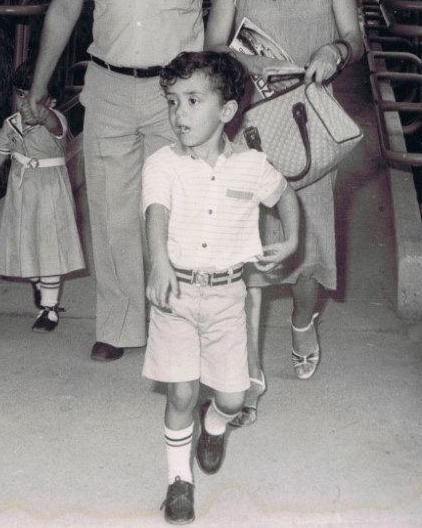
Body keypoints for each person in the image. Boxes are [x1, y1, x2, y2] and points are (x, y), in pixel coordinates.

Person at [26, 0, 232, 362]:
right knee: (114, 212)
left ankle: (184, 324)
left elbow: (230, 1)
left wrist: (214, 77)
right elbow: (65, 10)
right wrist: (39, 86)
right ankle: (119, 327)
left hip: (180, 93)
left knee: (184, 210)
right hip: (109, 88)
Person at [205, 0, 365, 426]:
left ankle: (302, 321)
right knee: (244, 251)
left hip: (305, 127)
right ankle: (247, 372)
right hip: (248, 126)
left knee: (307, 253)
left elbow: (354, 37)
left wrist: (334, 52)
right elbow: (213, 45)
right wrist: (243, 59)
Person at [142, 51, 299, 524]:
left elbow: (286, 195)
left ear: (227, 110)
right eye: (172, 101)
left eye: (192, 101)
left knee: (233, 398)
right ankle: (178, 483)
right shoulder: (162, 163)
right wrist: (158, 265)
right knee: (182, 394)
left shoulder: (251, 165)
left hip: (229, 297)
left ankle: (214, 427)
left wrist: (291, 238)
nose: (178, 113)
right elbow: (155, 215)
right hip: (177, 295)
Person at [0, 62, 85, 333]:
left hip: (50, 192)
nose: (25, 104)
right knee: (27, 244)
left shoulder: (55, 121)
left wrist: (43, 114)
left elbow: (52, 124)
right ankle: (42, 291)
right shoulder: (10, 124)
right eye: (20, 95)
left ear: (50, 100)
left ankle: (49, 309)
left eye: (34, 98)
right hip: (22, 191)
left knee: (50, 247)